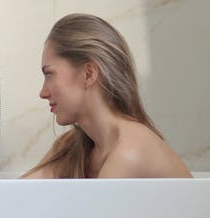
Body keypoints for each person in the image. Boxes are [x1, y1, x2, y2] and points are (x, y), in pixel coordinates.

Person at [22, 13, 192, 179]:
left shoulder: (129, 152)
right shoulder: (74, 147)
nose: (43, 93)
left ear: (88, 74)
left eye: (49, 74)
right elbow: (17, 196)